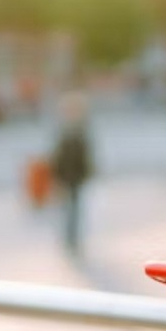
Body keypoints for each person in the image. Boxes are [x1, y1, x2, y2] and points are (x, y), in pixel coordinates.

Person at [48, 93, 93, 261]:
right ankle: (68, 238)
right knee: (66, 209)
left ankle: (73, 238)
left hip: (76, 177)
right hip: (65, 177)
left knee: (75, 209)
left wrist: (87, 173)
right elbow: (57, 157)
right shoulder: (64, 131)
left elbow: (87, 156)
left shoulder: (81, 131)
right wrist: (56, 177)